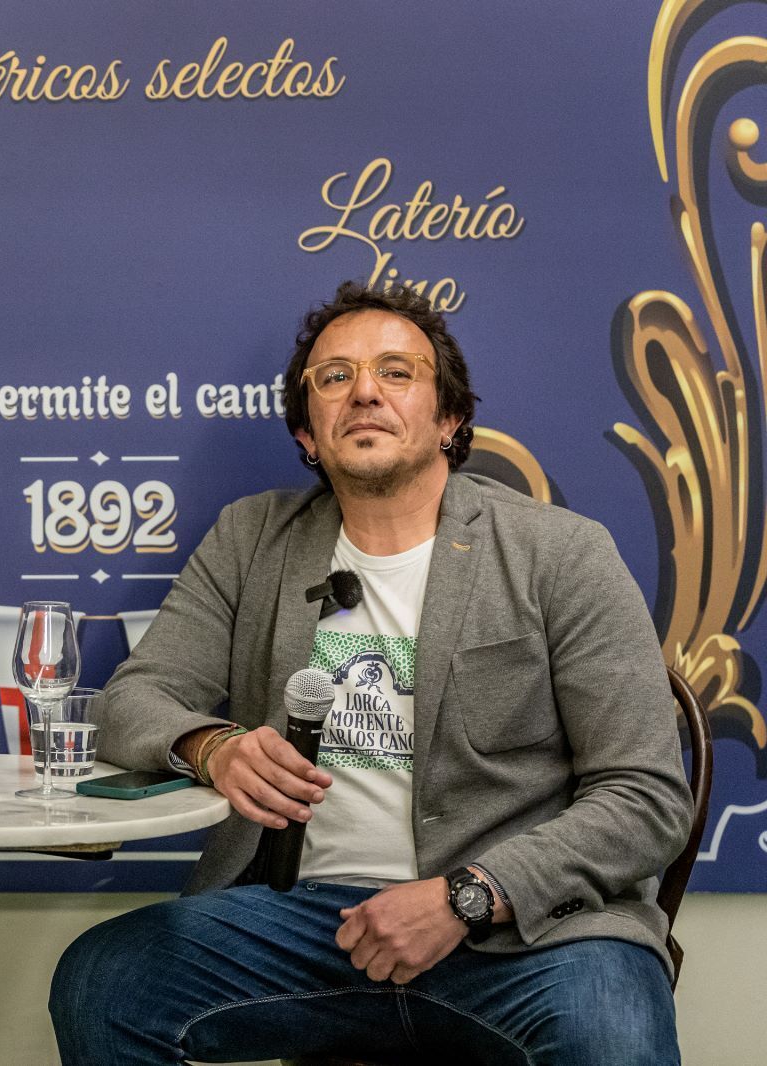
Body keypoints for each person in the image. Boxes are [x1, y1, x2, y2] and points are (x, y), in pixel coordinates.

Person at [49, 281, 692, 1064]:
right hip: (300, 924)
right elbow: (133, 701)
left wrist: (467, 897)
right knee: (104, 982)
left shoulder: (561, 553)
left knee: (613, 1039)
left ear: (448, 419)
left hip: (528, 935)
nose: (363, 392)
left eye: (396, 372)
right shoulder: (251, 538)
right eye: (334, 376)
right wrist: (211, 747)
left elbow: (646, 797)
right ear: (307, 436)